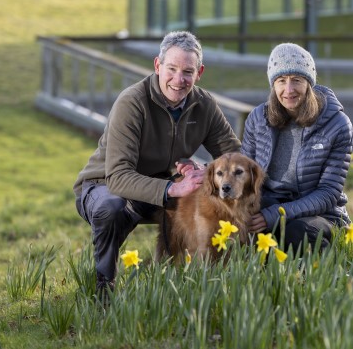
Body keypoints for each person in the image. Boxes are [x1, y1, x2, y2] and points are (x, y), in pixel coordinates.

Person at [73, 31, 241, 296]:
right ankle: (104, 291)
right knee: (111, 209)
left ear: (200, 73)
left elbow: (234, 157)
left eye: (188, 71)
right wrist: (172, 190)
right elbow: (117, 176)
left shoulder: (204, 104)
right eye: (171, 69)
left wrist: (205, 171)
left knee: (207, 201)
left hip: (160, 186)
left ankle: (187, 285)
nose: (178, 79)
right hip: (103, 186)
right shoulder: (132, 102)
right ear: (157, 65)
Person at [242, 42, 353, 253]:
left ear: (309, 83)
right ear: (273, 85)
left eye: (297, 80)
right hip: (267, 207)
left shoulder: (337, 125)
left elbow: (328, 193)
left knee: (295, 232)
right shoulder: (258, 119)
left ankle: (325, 270)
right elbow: (245, 177)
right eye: (281, 81)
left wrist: (274, 215)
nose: (289, 89)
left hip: (319, 215)